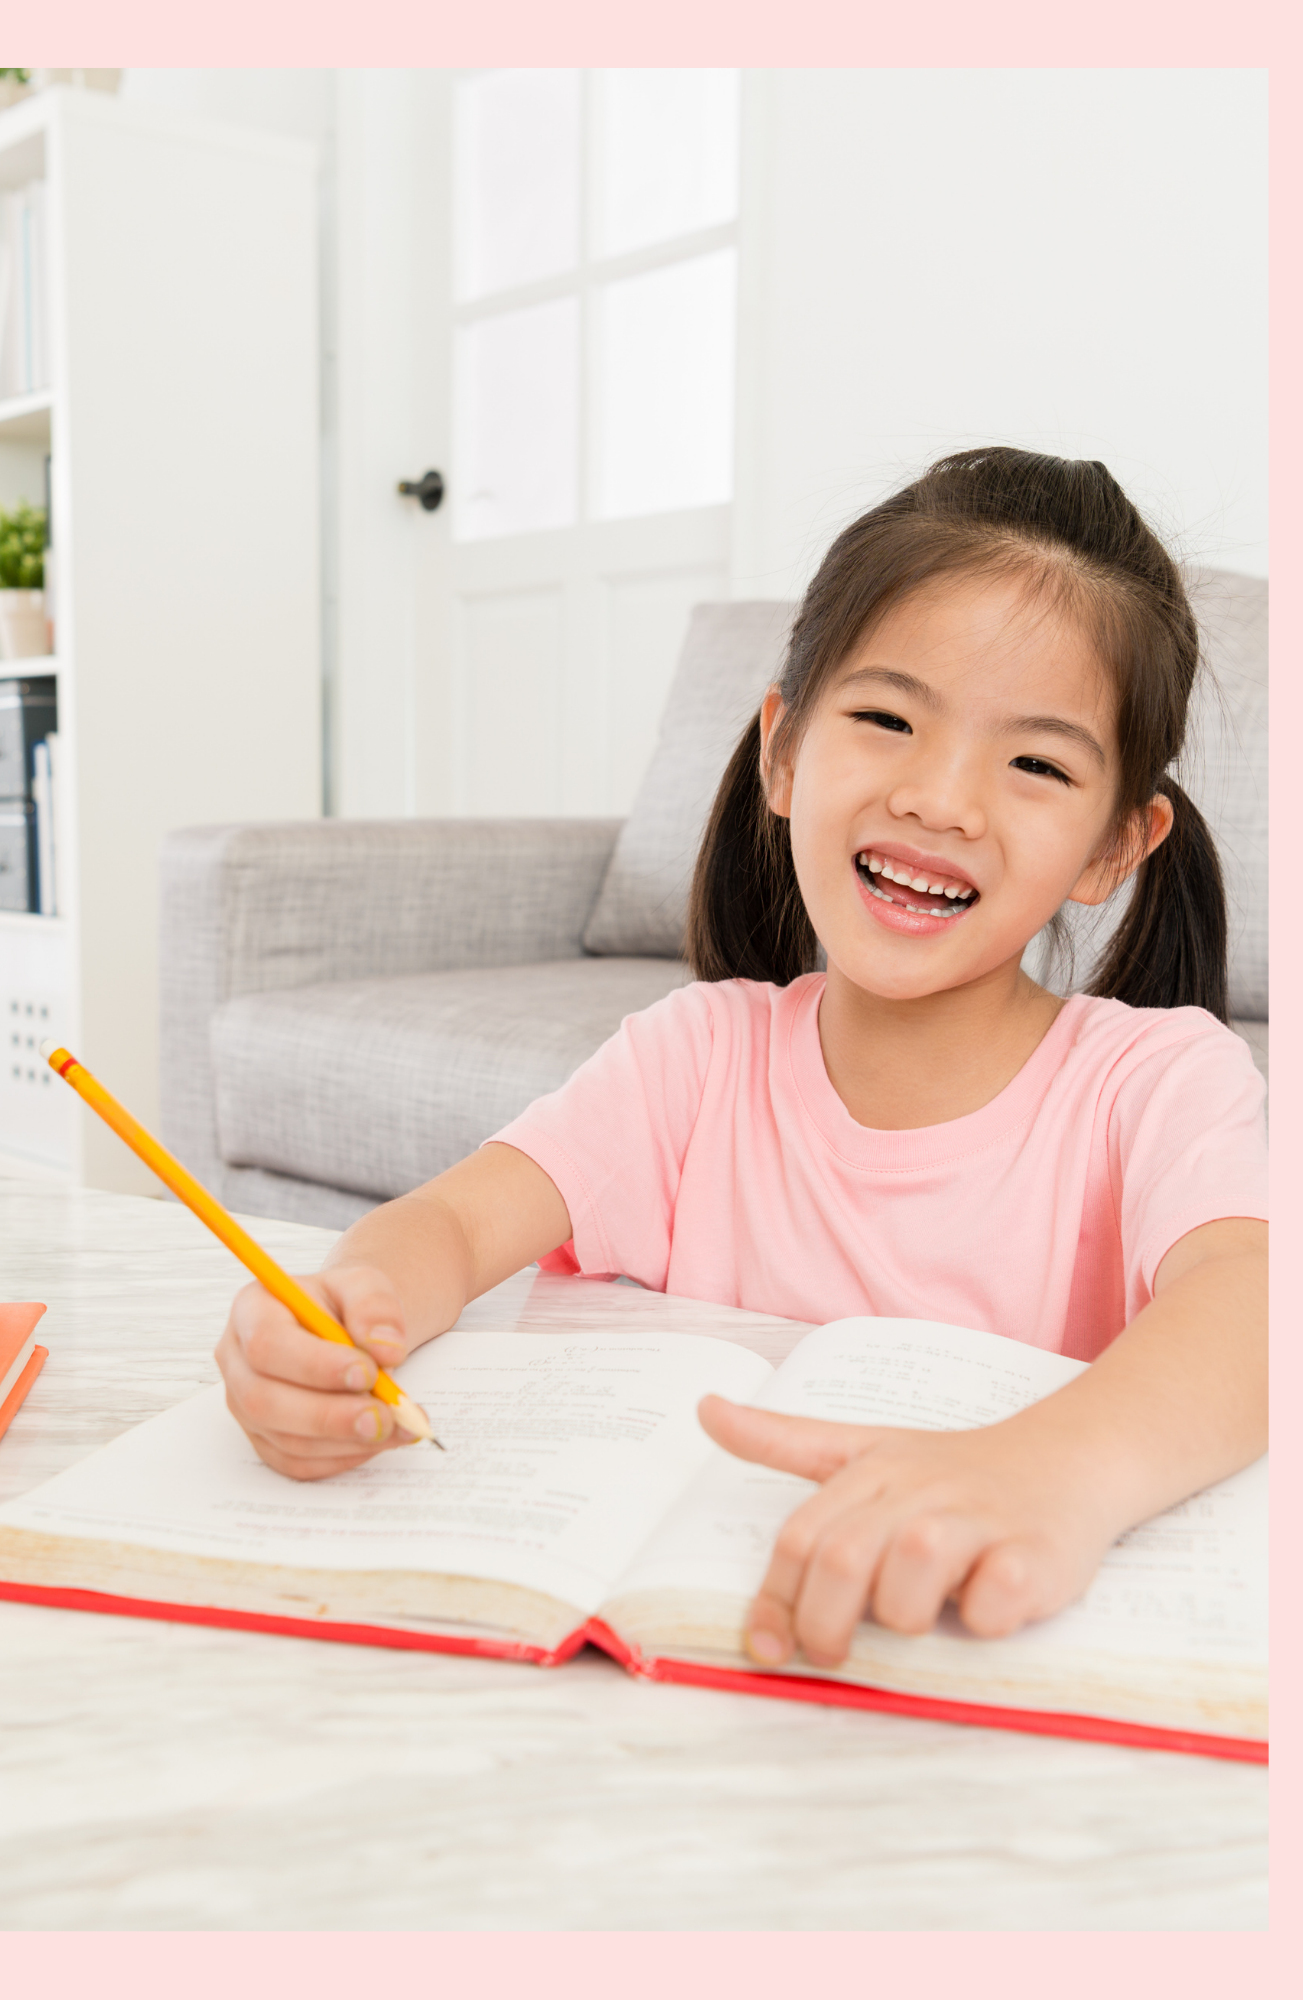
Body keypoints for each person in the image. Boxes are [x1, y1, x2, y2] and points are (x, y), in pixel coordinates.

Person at [216, 447, 1268, 1675]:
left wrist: (1051, 1472)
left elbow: (1253, 1304)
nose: (942, 799)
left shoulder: (1154, 1079)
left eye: (1037, 763)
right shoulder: (692, 1056)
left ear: (1115, 846)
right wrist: (340, 1320)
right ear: (782, 749)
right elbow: (448, 1226)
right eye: (886, 719)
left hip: (981, 1662)